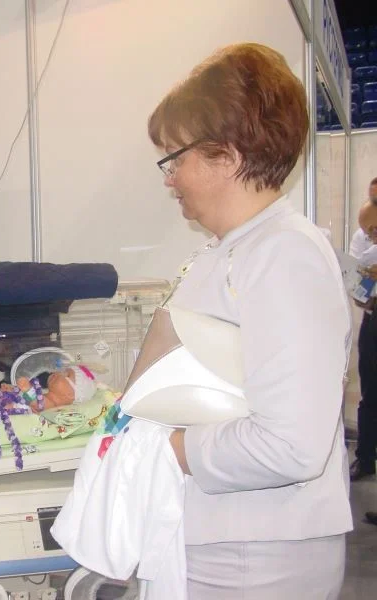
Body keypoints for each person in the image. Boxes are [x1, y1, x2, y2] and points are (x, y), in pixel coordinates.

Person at [149, 43, 351, 597]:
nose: (169, 178)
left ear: (228, 155)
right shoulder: (237, 249)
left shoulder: (284, 255)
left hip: (256, 556)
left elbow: (290, 445)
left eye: (175, 159)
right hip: (229, 537)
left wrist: (164, 450)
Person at [349, 182, 377, 480]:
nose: (370, 236)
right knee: (370, 394)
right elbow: (359, 296)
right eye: (368, 232)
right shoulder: (365, 246)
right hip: (373, 323)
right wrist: (369, 282)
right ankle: (365, 458)